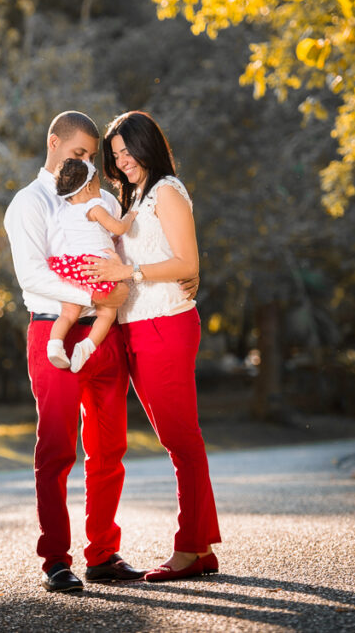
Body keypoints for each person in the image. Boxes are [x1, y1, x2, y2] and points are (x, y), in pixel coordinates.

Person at [3, 111, 146, 593]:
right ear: (53, 143)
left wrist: (120, 294)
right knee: (57, 448)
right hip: (55, 334)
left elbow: (120, 256)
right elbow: (33, 276)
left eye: (92, 156)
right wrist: (95, 298)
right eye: (78, 154)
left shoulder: (103, 196)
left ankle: (102, 553)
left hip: (105, 336)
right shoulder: (29, 202)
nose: (86, 164)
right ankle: (56, 561)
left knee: (110, 449)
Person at [84, 110, 221, 582]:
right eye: (116, 155)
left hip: (166, 324)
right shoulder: (136, 196)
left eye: (128, 151)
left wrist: (130, 273)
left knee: (182, 438)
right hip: (137, 328)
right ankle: (200, 548)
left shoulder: (166, 191)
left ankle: (190, 547)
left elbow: (186, 262)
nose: (122, 162)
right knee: (174, 438)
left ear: (149, 146)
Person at [46, 158, 137, 373]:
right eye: (98, 185)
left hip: (76, 269)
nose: (100, 191)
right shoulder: (94, 207)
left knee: (68, 313)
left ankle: (55, 344)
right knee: (107, 313)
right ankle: (87, 347)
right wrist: (130, 216)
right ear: (88, 187)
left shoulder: (64, 211)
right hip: (98, 268)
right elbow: (118, 228)